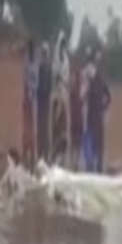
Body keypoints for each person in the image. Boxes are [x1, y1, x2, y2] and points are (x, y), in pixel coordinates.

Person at [85, 50, 112, 173]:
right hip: (91, 117)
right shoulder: (89, 82)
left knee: (99, 142)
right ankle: (90, 165)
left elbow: (108, 97)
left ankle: (99, 166)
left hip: (98, 116)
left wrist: (104, 107)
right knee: (91, 141)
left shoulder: (100, 80)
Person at [52, 34, 71, 166]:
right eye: (62, 44)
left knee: (63, 123)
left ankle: (61, 156)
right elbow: (55, 73)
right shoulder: (56, 59)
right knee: (55, 124)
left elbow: (66, 75)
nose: (63, 46)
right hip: (56, 93)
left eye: (65, 44)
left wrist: (63, 81)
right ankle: (54, 154)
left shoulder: (66, 59)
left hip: (63, 92)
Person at [21, 40, 38, 169]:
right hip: (28, 97)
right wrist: (29, 92)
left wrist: (33, 91)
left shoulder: (34, 63)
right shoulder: (27, 62)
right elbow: (25, 79)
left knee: (32, 128)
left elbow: (35, 79)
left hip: (33, 97)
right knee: (26, 126)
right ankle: (26, 155)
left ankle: (31, 156)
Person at [36, 41, 53, 165]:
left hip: (45, 99)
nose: (44, 55)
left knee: (45, 127)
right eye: (43, 52)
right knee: (40, 127)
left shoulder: (47, 68)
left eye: (45, 52)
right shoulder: (40, 67)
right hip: (40, 99)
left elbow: (50, 85)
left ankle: (45, 154)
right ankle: (40, 153)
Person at [68, 50, 83, 171]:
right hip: (75, 113)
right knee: (75, 138)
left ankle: (76, 161)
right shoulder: (75, 77)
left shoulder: (78, 78)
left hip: (77, 113)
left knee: (76, 138)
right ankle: (74, 161)